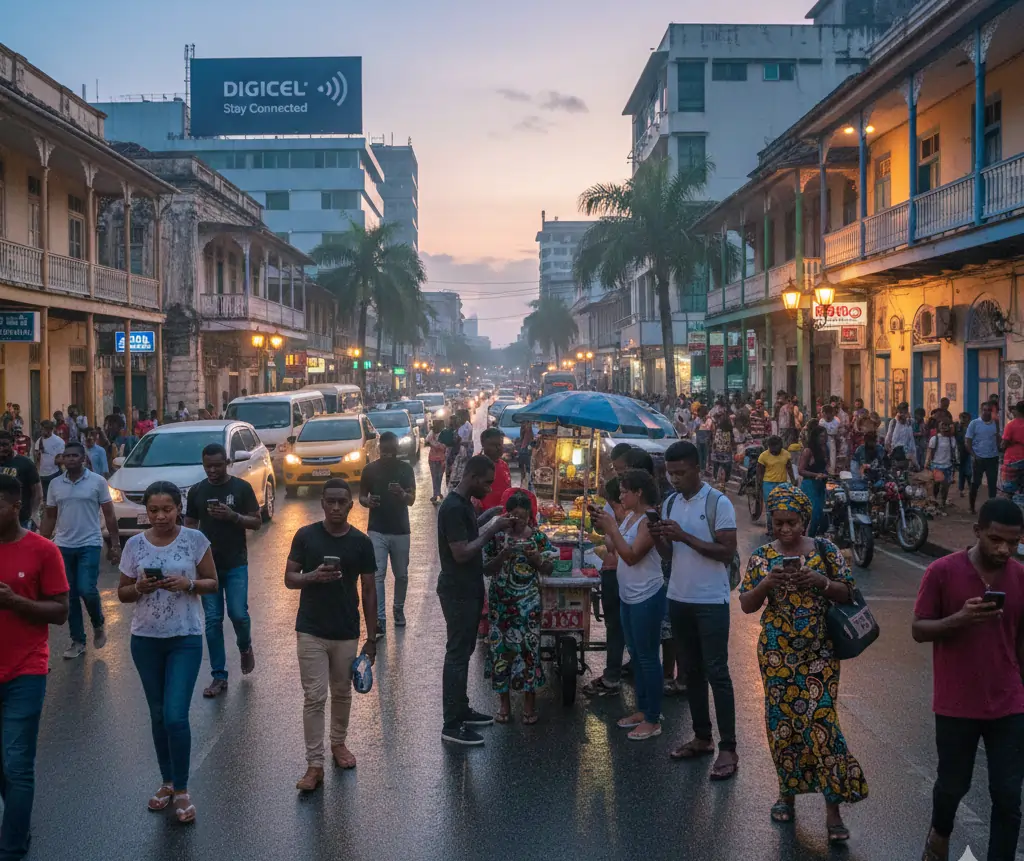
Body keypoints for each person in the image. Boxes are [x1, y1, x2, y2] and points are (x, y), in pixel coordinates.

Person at [739, 484, 867, 842]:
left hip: (820, 653)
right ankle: (787, 794)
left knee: (822, 725)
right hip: (777, 654)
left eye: (791, 523)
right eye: (778, 523)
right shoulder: (763, 557)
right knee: (783, 726)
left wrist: (820, 582)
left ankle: (833, 810)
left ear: (805, 521)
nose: (785, 530)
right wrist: (767, 583)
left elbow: (849, 592)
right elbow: (747, 605)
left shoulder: (826, 551)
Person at [913, 498, 1024, 861]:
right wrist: (957, 620)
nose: (1004, 549)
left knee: (1008, 797)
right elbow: (918, 629)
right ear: (977, 532)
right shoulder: (943, 572)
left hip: (1008, 704)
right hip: (956, 703)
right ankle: (939, 833)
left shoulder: (1020, 577)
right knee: (952, 785)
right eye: (995, 539)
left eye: (1013, 541)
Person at [116, 481, 218, 824]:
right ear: (146, 511)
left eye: (168, 509)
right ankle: (167, 782)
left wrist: (188, 584)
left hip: (184, 638)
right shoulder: (134, 545)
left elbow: (212, 582)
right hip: (145, 640)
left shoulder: (195, 540)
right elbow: (123, 594)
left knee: (175, 715)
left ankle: (184, 789)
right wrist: (139, 587)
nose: (161, 516)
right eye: (154, 510)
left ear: (179, 508)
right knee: (158, 715)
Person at [651, 441, 739, 778]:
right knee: (691, 673)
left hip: (710, 601)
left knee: (717, 671)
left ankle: (728, 748)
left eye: (680, 473)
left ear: (697, 469)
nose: (674, 479)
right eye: (670, 473)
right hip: (679, 597)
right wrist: (659, 535)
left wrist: (684, 536)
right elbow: (669, 555)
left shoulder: (718, 502)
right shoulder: (671, 502)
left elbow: (726, 552)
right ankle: (702, 737)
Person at [285, 479, 378, 791]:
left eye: (342, 502)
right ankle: (314, 764)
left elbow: (368, 589)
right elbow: (289, 578)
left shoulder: (362, 543)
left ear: (351, 504)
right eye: (330, 502)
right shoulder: (306, 536)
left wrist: (372, 638)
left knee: (341, 693)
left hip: (346, 630)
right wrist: (312, 576)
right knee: (314, 697)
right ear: (322, 503)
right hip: (310, 628)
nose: (336, 507)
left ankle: (338, 744)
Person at [0, 474, 68, 861]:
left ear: (14, 507)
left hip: (25, 669)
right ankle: (19, 821)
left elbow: (60, 612)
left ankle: (11, 847)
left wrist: (17, 603)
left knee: (17, 762)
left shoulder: (43, 551)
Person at [437, 454, 512, 746]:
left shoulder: (464, 504)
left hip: (468, 587)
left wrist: (489, 515)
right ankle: (451, 724)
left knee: (464, 652)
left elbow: (470, 531)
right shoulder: (453, 507)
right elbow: (462, 551)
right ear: (472, 477)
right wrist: (492, 528)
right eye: (487, 482)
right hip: (457, 590)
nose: (488, 487)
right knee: (456, 655)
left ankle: (462, 708)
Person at [593, 469, 665, 742]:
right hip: (628, 594)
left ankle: (653, 717)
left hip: (647, 595)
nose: (620, 495)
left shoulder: (648, 521)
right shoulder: (629, 517)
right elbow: (614, 547)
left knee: (647, 657)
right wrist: (604, 526)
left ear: (639, 493)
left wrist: (612, 528)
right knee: (636, 655)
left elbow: (632, 556)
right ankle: (643, 709)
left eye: (625, 491)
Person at [184, 443, 261, 697]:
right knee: (213, 621)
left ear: (227, 462)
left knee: (238, 614)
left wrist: (233, 516)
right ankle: (219, 676)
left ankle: (245, 646)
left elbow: (257, 521)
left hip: (236, 562)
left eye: (217, 465)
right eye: (208, 466)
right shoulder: (197, 491)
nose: (213, 470)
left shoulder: (241, 488)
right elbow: (190, 526)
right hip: (207, 567)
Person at [40, 441, 120, 659]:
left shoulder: (97, 482)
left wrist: (115, 545)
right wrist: (40, 544)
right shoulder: (55, 484)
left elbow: (110, 515)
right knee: (70, 595)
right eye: (66, 456)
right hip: (63, 546)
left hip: (90, 543)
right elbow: (50, 516)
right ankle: (78, 641)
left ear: (83, 459)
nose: (70, 459)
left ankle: (98, 622)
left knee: (87, 589)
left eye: (75, 456)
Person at [482, 491, 554, 724]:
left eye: (522, 518)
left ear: (530, 517)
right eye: (513, 517)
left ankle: (529, 704)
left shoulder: (538, 538)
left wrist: (536, 559)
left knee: (529, 651)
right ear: (506, 515)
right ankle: (504, 704)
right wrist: (504, 554)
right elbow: (487, 569)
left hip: (528, 604)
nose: (517, 523)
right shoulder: (496, 538)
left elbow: (549, 569)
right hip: (500, 604)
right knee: (501, 651)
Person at [582, 443, 634, 698]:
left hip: (618, 574)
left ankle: (612, 676)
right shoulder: (631, 515)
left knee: (616, 627)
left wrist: (610, 528)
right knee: (624, 627)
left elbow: (615, 546)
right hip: (619, 573)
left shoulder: (629, 516)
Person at [359, 431, 415, 638]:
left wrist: (401, 493)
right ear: (379, 449)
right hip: (377, 529)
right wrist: (368, 502)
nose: (388, 454)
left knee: (401, 575)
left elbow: (412, 499)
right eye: (384, 450)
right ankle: (380, 620)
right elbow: (361, 497)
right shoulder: (369, 470)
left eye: (392, 450)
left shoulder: (406, 469)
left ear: (397, 449)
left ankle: (398, 608)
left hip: (401, 530)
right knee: (378, 574)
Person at [0, 432, 41, 530]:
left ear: (13, 444)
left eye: (4, 445)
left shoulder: (25, 463)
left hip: (21, 520)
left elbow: (37, 492)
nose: (1, 448)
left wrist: (34, 513)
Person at [966, 402, 1001, 514]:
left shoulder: (995, 423)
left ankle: (992, 508)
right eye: (985, 410)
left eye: (989, 410)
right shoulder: (974, 423)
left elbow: (997, 438)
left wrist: (1001, 449)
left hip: (992, 458)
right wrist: (973, 455)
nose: (987, 412)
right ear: (981, 410)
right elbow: (968, 441)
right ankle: (971, 507)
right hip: (979, 458)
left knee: (992, 484)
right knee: (975, 484)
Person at [798, 425, 829, 538]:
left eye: (825, 436)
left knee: (822, 513)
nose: (824, 439)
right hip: (810, 485)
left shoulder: (825, 449)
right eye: (821, 436)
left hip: (821, 485)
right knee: (813, 513)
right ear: (815, 437)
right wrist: (816, 475)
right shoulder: (808, 451)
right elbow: (801, 470)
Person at [926, 420, 958, 509]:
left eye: (946, 425)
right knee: (937, 485)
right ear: (939, 428)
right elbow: (930, 452)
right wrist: (928, 462)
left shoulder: (952, 439)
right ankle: (935, 500)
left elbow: (954, 451)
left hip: (948, 466)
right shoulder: (934, 439)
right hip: (937, 465)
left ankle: (942, 502)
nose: (944, 427)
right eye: (942, 425)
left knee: (945, 486)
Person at [33, 420, 65, 502]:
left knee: (54, 497)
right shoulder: (39, 441)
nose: (41, 431)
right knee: (44, 498)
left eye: (43, 429)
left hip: (54, 473)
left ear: (50, 430)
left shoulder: (58, 441)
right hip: (41, 474)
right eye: (41, 429)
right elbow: (36, 457)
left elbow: (61, 458)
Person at [886, 403, 918, 468]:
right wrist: (889, 451)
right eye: (901, 412)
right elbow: (888, 438)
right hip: (896, 454)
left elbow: (911, 441)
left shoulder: (909, 422)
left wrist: (913, 455)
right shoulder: (893, 422)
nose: (903, 414)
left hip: (908, 455)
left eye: (905, 412)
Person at [1001, 400, 1024, 491]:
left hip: (1012, 461)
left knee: (1009, 491)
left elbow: (1003, 445)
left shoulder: (1010, 425)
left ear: (1017, 411)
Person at [711, 415, 736, 489]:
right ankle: (726, 480)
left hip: (718, 452)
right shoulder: (730, 431)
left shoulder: (718, 430)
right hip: (727, 453)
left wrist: (713, 449)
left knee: (716, 466)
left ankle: (715, 478)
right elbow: (732, 442)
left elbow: (715, 442)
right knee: (727, 467)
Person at [425, 420, 448, 503]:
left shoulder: (444, 433)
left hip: (441, 459)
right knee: (435, 477)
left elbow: (444, 446)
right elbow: (426, 442)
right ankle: (436, 493)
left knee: (439, 477)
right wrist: (437, 445)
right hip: (433, 459)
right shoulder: (432, 433)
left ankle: (437, 492)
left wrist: (433, 444)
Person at [955, 411, 973, 498]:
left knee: (969, 471)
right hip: (961, 452)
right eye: (962, 418)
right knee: (962, 471)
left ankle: (970, 488)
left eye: (965, 418)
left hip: (970, 452)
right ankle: (961, 489)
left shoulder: (971, 428)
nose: (963, 420)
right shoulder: (958, 428)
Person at [820, 404, 840, 475]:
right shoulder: (822, 421)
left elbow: (833, 431)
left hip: (833, 440)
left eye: (823, 413)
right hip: (823, 441)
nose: (822, 415)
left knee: (832, 458)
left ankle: (832, 472)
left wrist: (827, 431)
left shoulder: (836, 420)